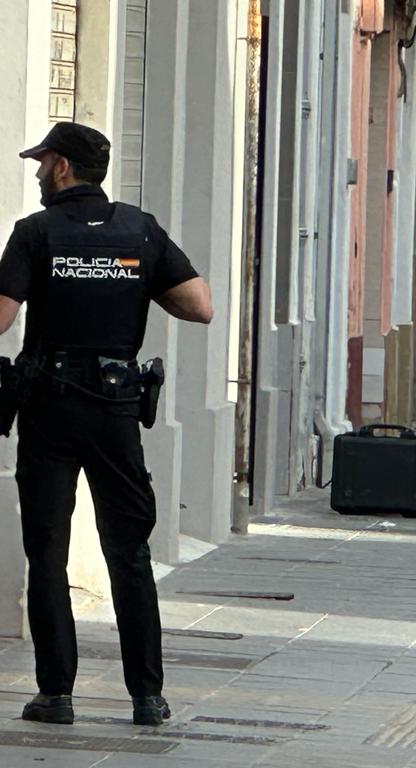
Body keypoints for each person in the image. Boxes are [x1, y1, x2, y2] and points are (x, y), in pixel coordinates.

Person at [0, 122, 213, 726]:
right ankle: (148, 697)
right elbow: (200, 306)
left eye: (42, 162)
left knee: (47, 551)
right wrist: (137, 283)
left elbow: (0, 317)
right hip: (117, 411)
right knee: (131, 553)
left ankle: (56, 694)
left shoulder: (36, 233)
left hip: (51, 410)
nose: (39, 172)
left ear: (62, 166)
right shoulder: (139, 230)